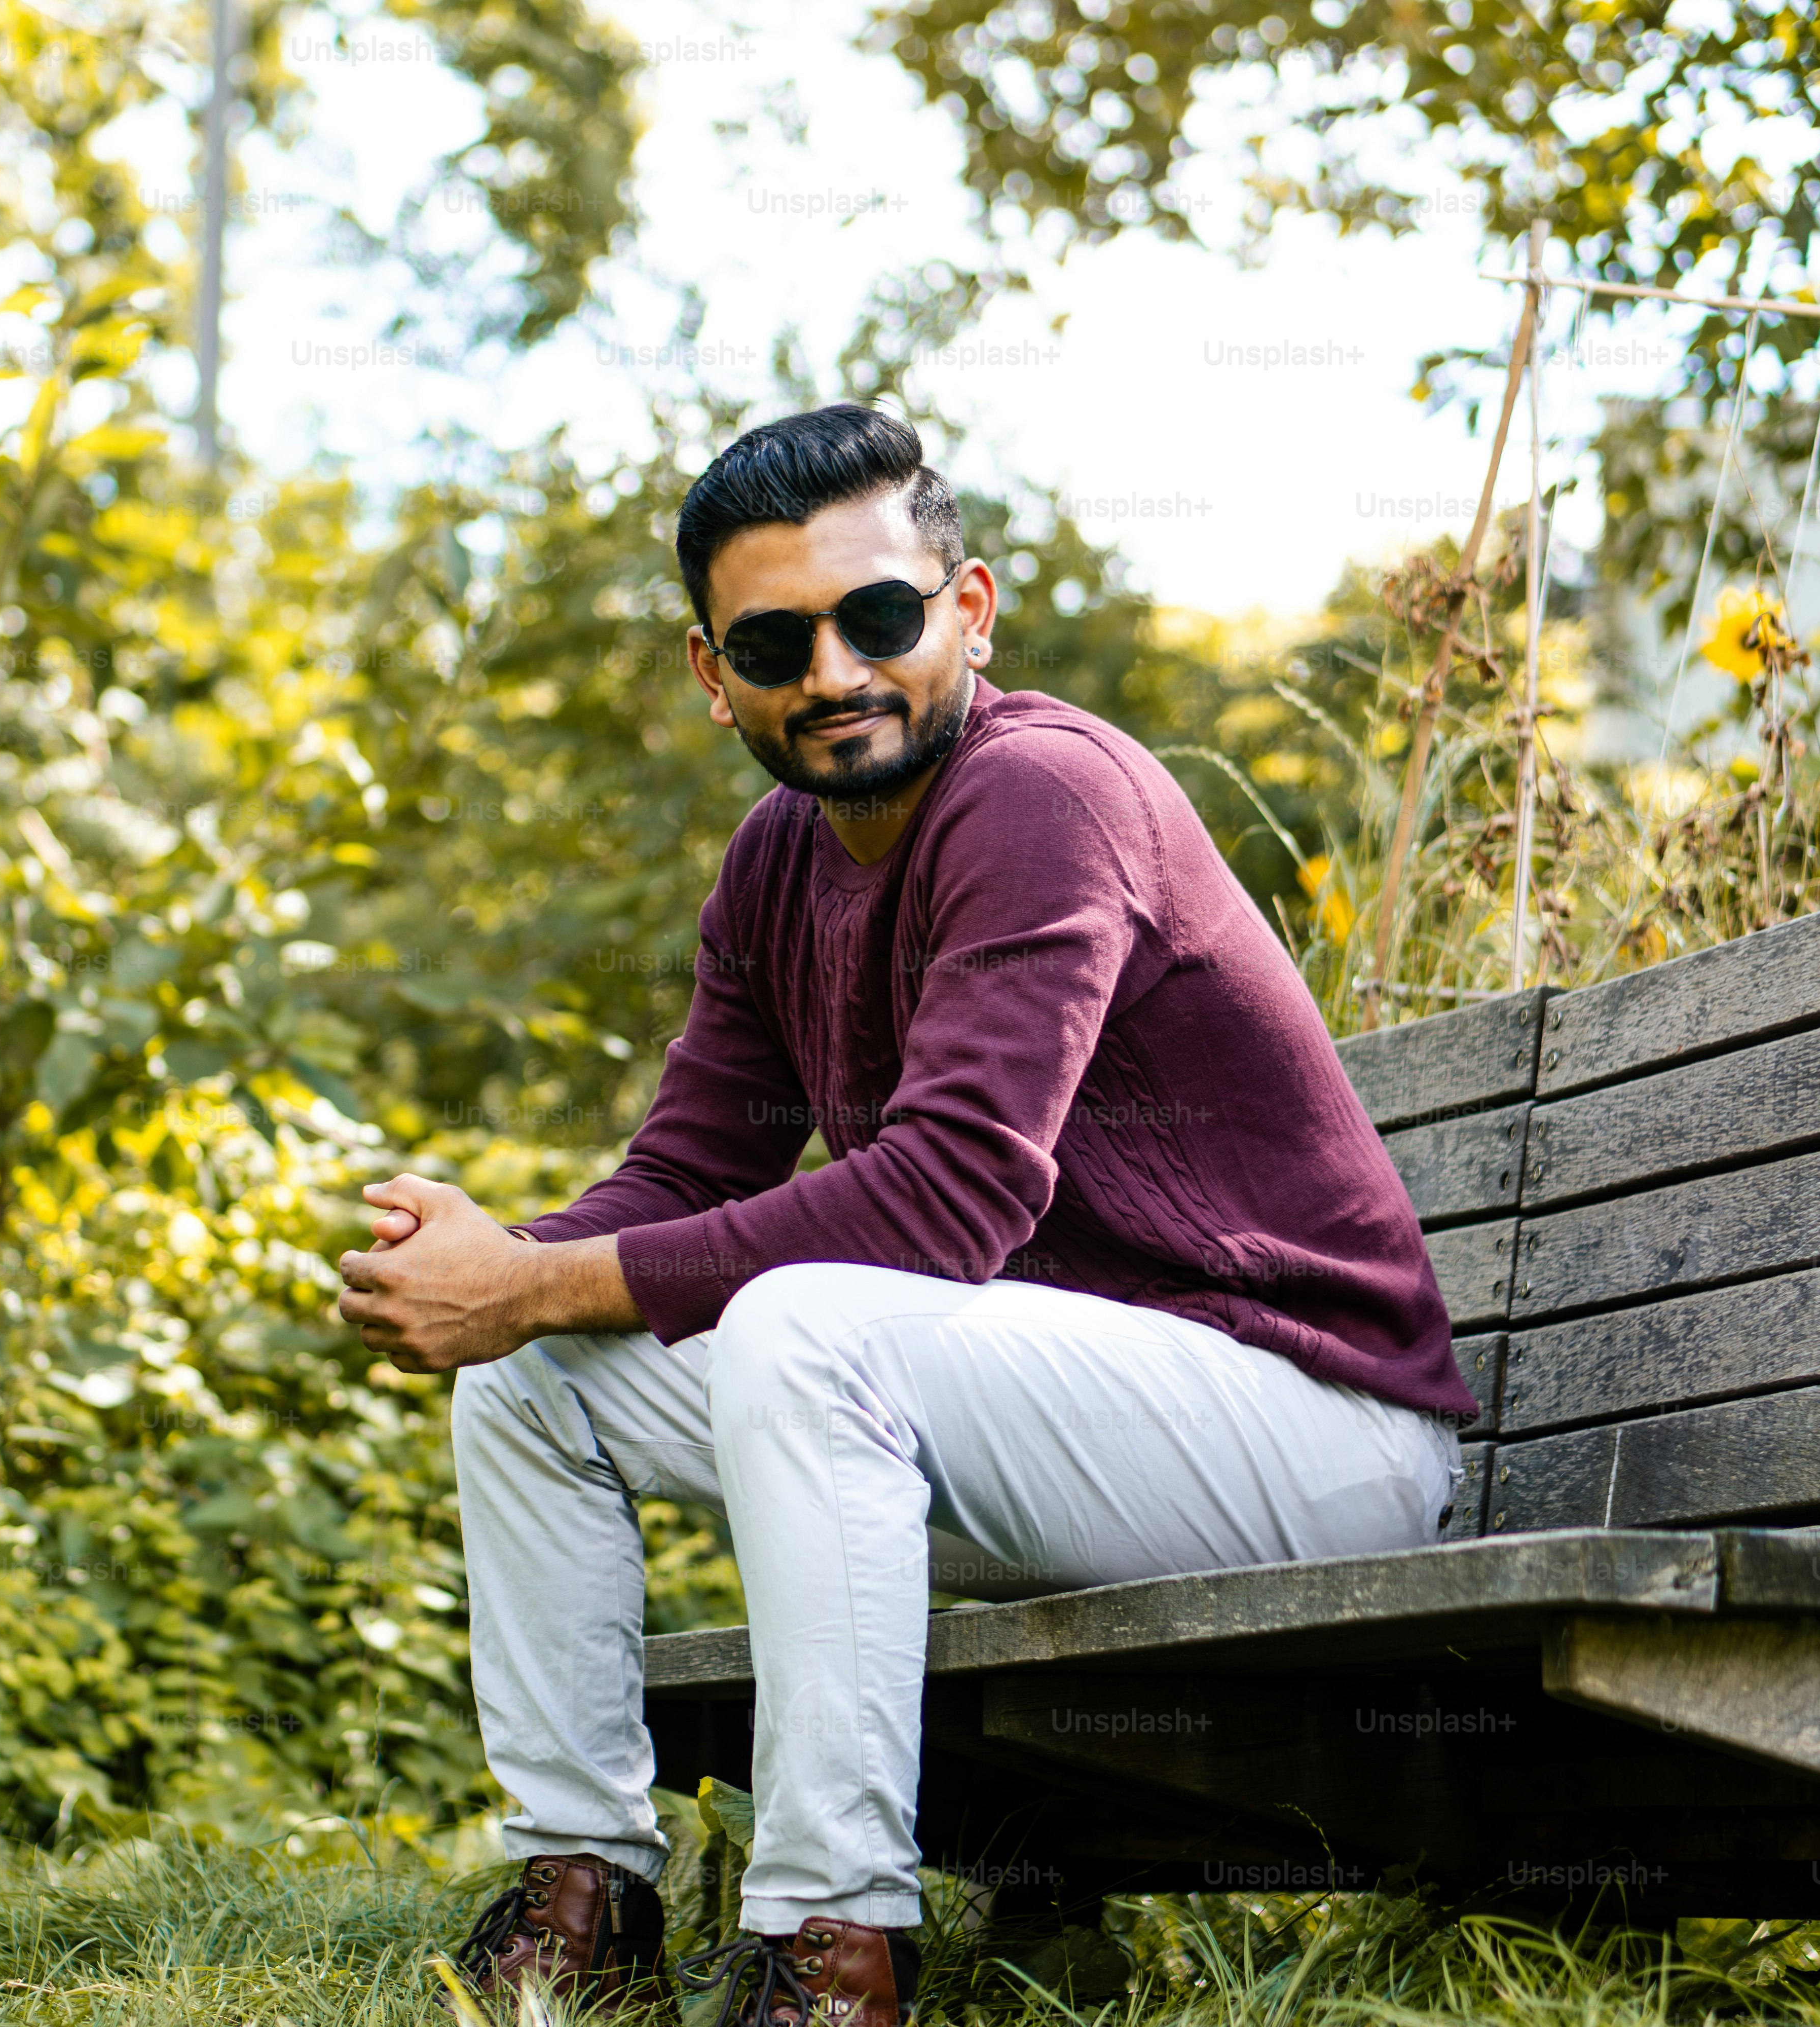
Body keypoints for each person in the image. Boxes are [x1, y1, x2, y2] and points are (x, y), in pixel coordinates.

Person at [337, 404, 1474, 2027]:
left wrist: (540, 1284)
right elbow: (687, 1171)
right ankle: (584, 1897)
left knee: (802, 1325)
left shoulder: (1043, 799)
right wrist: (487, 1272)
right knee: (532, 1375)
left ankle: (834, 1954)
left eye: (879, 618)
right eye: (775, 640)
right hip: (1043, 1415)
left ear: (970, 609)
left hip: (1307, 1432)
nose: (835, 673)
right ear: (710, 671)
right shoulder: (778, 862)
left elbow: (951, 1198)